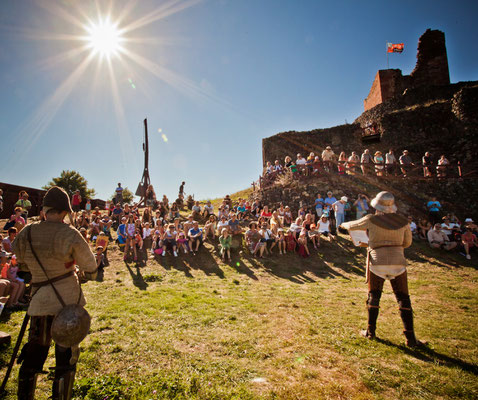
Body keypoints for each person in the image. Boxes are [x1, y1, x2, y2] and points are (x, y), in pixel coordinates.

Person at [12, 186, 97, 399]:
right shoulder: (69, 233)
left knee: (33, 356)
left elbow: (20, 261)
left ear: (45, 209)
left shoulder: (28, 231)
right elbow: (90, 265)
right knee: (66, 359)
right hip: (67, 301)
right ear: (64, 211)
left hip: (39, 301)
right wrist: (71, 264)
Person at [341, 191, 424, 347]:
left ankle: (370, 332)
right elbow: (407, 243)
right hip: (397, 261)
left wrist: (342, 225)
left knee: (374, 296)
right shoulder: (404, 221)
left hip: (377, 261)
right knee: (403, 299)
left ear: (377, 206)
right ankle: (410, 338)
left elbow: (351, 225)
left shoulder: (371, 219)